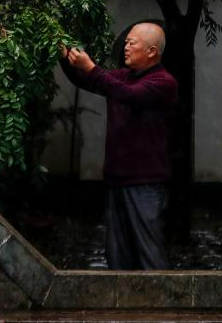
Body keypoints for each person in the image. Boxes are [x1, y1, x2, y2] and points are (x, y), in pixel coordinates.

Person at [60, 22, 178, 270]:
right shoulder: (123, 77)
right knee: (117, 256)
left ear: (151, 51)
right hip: (117, 179)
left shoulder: (163, 82)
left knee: (150, 254)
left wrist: (91, 67)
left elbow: (129, 95)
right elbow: (89, 81)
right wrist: (65, 56)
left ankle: (159, 296)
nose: (126, 47)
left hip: (146, 182)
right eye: (126, 42)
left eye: (132, 43)